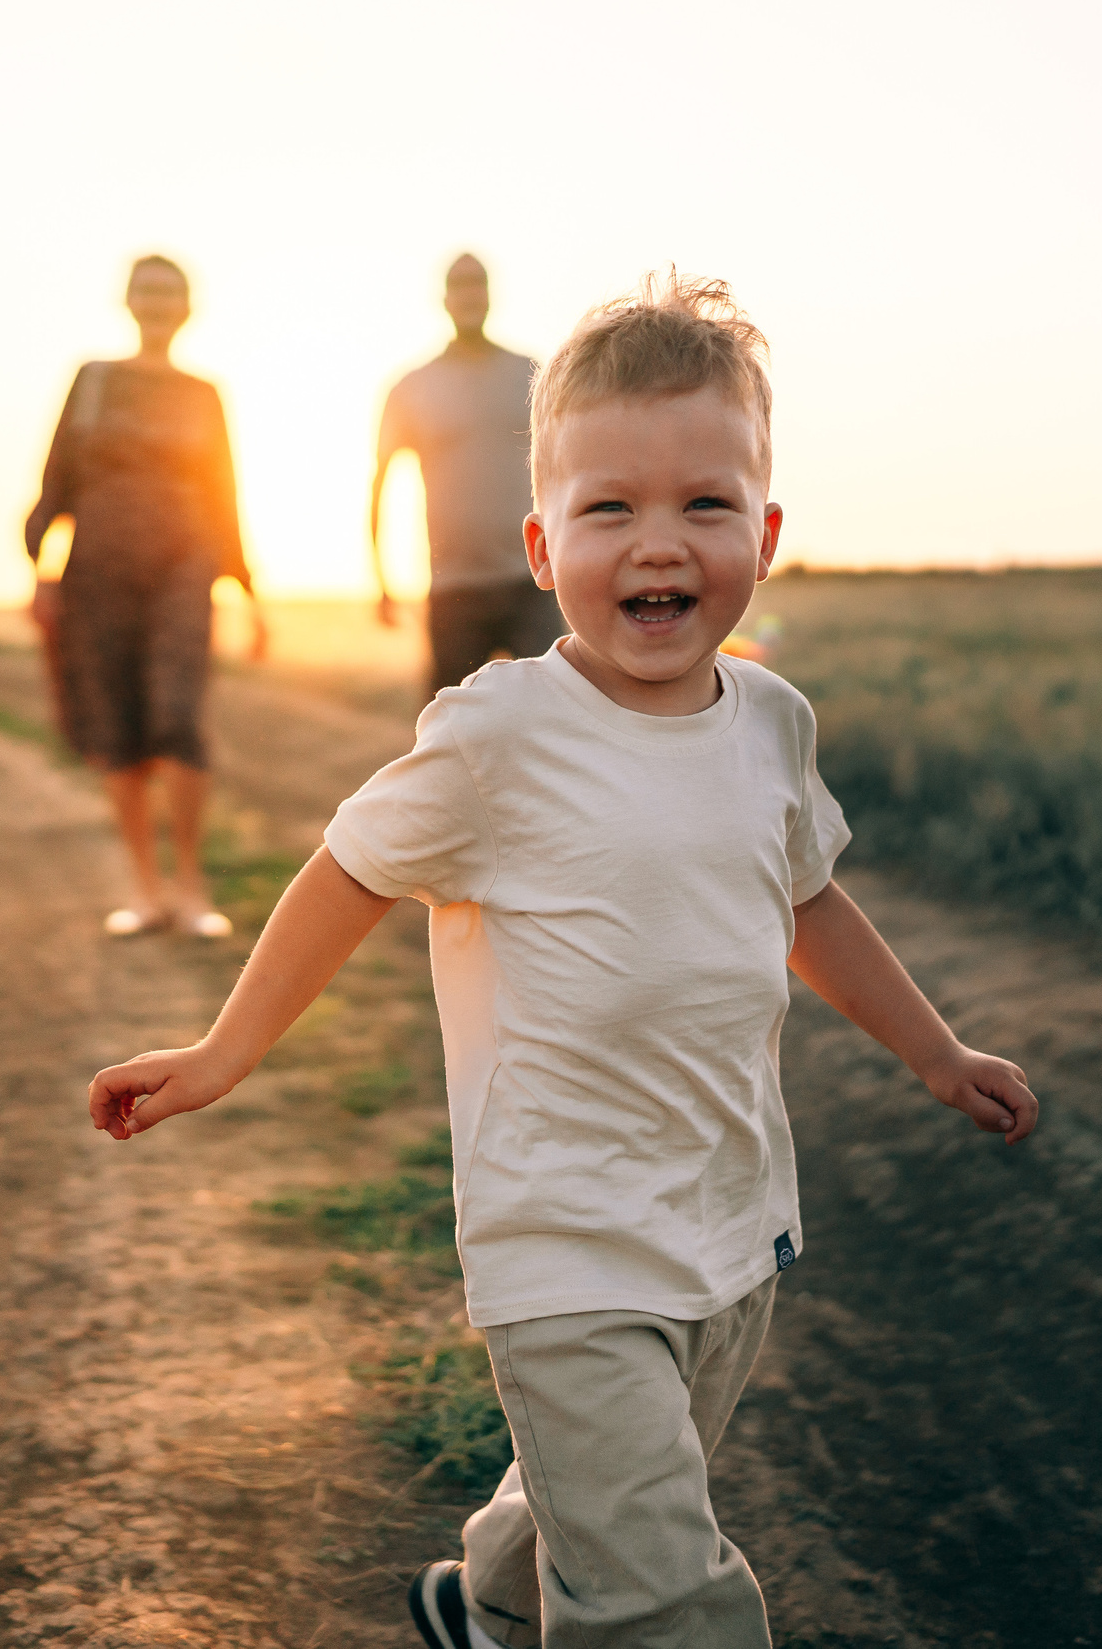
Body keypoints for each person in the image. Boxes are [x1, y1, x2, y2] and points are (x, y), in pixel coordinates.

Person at [88, 274, 1038, 1648]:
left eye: (705, 503)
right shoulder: (497, 735)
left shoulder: (769, 719)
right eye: (611, 508)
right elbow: (348, 871)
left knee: (608, 1486)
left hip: (727, 1217)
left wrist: (938, 1051)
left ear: (764, 533)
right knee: (667, 1590)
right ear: (540, 544)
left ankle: (481, 1600)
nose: (660, 541)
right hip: (567, 1242)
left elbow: (809, 904)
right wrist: (222, 1051)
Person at [25, 254, 267, 940]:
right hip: (97, 566)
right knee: (118, 722)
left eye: (170, 293)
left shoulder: (204, 392)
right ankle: (145, 889)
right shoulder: (93, 380)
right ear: (128, 301)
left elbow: (227, 489)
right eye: (147, 291)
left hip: (185, 565)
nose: (158, 303)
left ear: (188, 307)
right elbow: (56, 474)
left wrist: (248, 591)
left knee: (180, 714)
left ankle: (190, 887)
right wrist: (39, 566)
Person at [369, 254, 562, 694]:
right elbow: (380, 483)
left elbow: (576, 465)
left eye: (478, 283)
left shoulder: (531, 373)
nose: (469, 294)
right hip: (453, 589)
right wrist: (381, 580)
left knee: (560, 716)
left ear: (491, 295)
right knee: (449, 732)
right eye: (460, 285)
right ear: (444, 298)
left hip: (534, 579)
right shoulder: (412, 386)